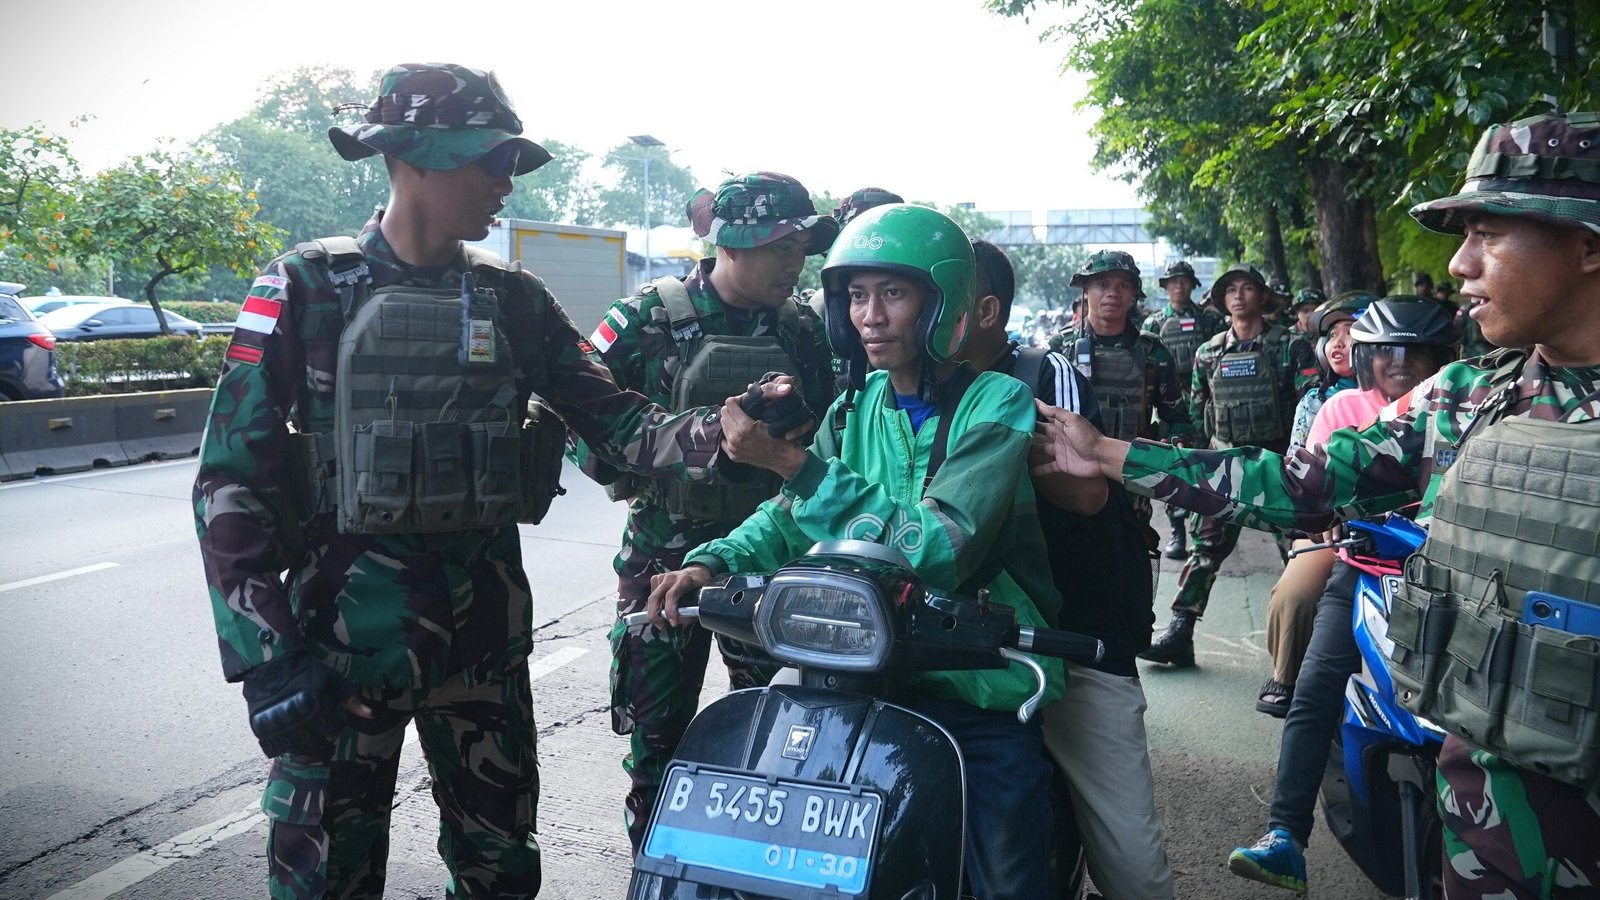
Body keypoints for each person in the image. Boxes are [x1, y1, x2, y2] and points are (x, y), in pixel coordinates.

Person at [192, 63, 787, 900]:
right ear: (417, 158)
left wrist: (721, 434)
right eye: (490, 162)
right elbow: (229, 485)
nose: (506, 183)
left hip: (484, 643)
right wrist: (266, 658)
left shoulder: (511, 299)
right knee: (326, 879)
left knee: (502, 873)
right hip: (338, 645)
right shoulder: (304, 287)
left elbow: (619, 423)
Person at [1033, 110, 1600, 897]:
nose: (1462, 263)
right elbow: (1303, 487)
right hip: (1490, 819)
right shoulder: (1470, 397)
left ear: (1587, 243)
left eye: (1491, 232)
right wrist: (1106, 453)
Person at [650, 204, 1067, 899]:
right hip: (858, 670)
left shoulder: (998, 403)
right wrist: (711, 562)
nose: (869, 314)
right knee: (755, 831)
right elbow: (787, 518)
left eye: (893, 293)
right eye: (856, 296)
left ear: (945, 304)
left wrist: (793, 465)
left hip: (977, 682)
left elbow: (937, 546)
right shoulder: (855, 406)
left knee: (1009, 881)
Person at [572, 171, 839, 851]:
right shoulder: (645, 319)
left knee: (778, 730)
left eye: (801, 247)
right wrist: (656, 456)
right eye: (781, 245)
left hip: (769, 557)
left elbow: (830, 427)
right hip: (663, 557)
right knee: (657, 737)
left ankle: (754, 869)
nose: (793, 261)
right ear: (733, 243)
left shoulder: (801, 327)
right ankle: (656, 868)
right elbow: (575, 421)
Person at [962, 241, 1175, 898]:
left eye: (905, 292)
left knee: (1133, 872)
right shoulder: (893, 387)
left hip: (1071, 635)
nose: (881, 314)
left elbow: (1085, 493)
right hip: (960, 643)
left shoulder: (1040, 373)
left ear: (986, 309)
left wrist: (990, 458)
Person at [1141, 264, 1318, 667]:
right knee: (1205, 549)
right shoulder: (1209, 352)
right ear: (1222, 300)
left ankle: (1314, 646)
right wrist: (1197, 465)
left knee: (1301, 553)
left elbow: (1311, 403)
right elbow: (1197, 409)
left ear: (1262, 296)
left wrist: (1302, 462)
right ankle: (1180, 633)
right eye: (1230, 290)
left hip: (1277, 467)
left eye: (1247, 288)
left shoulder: (1290, 346)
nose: (1238, 295)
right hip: (1224, 467)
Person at [1258, 290, 1374, 715]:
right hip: (1330, 527)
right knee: (1294, 594)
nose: (1341, 343)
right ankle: (1286, 676)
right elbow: (1297, 469)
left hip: (1395, 530)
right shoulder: (1317, 401)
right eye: (1333, 335)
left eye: (1353, 332)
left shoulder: (1417, 392)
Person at [1143, 260, 1226, 560]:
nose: (1179, 286)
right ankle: (1177, 529)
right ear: (1165, 287)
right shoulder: (1153, 325)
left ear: (1192, 285)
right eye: (1173, 281)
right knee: (1173, 466)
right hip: (1170, 404)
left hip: (1206, 404)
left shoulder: (1210, 321)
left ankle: (1202, 531)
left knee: (1204, 465)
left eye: (1184, 281)